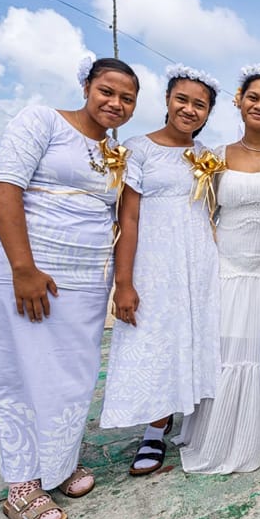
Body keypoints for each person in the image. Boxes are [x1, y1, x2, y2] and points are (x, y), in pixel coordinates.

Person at [0, 57, 139, 519]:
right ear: (87, 87)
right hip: (34, 273)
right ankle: (23, 485)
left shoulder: (114, 151)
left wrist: (118, 279)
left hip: (89, 279)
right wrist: (23, 267)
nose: (115, 103)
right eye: (107, 91)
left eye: (127, 98)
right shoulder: (41, 121)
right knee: (23, 373)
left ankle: (58, 464)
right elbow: (3, 186)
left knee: (73, 375)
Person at [101, 65, 222, 476]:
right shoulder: (138, 149)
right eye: (182, 100)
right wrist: (124, 281)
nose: (189, 110)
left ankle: (191, 417)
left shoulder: (207, 156)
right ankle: (153, 429)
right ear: (168, 101)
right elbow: (128, 218)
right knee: (154, 340)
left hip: (199, 262)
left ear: (208, 112)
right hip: (154, 263)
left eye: (199, 105)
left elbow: (211, 212)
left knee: (194, 337)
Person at [179, 64, 260, 474]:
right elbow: (202, 212)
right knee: (226, 350)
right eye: (253, 98)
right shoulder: (216, 156)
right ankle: (216, 431)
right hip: (225, 267)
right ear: (239, 101)